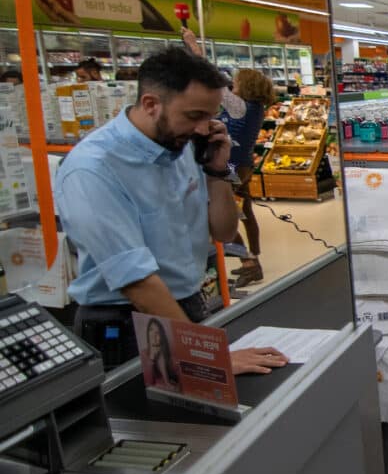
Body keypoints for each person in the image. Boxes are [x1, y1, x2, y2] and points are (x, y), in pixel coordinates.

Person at [54, 46, 287, 375]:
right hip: (129, 323)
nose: (205, 128)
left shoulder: (181, 147)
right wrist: (211, 357)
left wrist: (217, 173)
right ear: (151, 104)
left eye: (210, 116)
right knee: (163, 425)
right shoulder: (92, 169)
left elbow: (221, 232)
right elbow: (137, 283)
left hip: (188, 306)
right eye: (194, 116)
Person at [182, 29, 271, 286]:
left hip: (230, 166)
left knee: (224, 213)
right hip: (243, 165)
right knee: (245, 212)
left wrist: (195, 49)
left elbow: (215, 82)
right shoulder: (254, 108)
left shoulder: (240, 106)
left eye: (237, 82)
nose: (233, 84)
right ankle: (254, 258)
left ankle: (249, 262)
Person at [144, 318, 180, 392]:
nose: (153, 335)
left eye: (157, 332)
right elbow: (148, 383)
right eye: (151, 330)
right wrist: (152, 357)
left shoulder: (168, 355)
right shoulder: (144, 353)